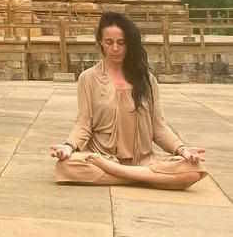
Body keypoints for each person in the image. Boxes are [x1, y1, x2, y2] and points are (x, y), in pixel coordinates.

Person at [51, 11, 207, 188]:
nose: (115, 48)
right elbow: (83, 124)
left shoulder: (147, 80)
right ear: (101, 42)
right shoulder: (88, 79)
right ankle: (147, 178)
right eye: (109, 42)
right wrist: (68, 147)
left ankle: (121, 173)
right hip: (102, 156)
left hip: (142, 160)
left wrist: (182, 149)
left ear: (129, 44)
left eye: (121, 43)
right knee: (66, 166)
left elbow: (159, 127)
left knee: (194, 169)